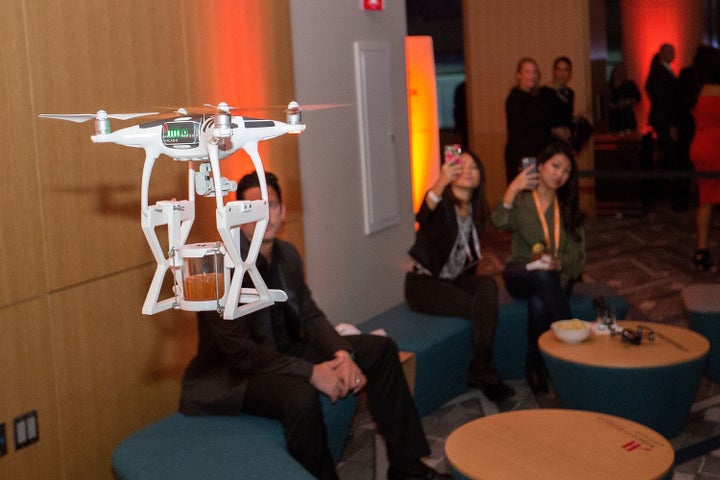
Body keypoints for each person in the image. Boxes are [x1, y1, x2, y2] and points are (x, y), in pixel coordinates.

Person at [179, 171, 451, 480]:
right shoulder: (217, 265)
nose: (264, 214)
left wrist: (342, 355)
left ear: (282, 212)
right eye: (252, 206)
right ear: (235, 214)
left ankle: (408, 468)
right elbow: (240, 353)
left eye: (272, 205)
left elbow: (309, 314)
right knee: (301, 396)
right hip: (236, 374)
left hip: (285, 352)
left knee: (381, 350)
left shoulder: (288, 255)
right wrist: (311, 372)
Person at [405, 148, 514, 402]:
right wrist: (441, 182)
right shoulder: (442, 204)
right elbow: (423, 215)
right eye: (460, 165)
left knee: (487, 287)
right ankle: (485, 371)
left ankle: (480, 366)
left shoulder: (476, 210)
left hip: (453, 280)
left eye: (473, 167)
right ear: (450, 172)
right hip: (423, 284)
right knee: (479, 307)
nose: (467, 170)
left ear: (480, 178)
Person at [492, 140, 586, 395]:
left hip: (554, 277)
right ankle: (573, 352)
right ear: (540, 165)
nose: (560, 175)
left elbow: (578, 258)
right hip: (520, 273)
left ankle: (533, 366)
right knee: (541, 277)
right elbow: (498, 221)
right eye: (555, 166)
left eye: (566, 171)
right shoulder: (522, 200)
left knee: (539, 301)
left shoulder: (568, 209)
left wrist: (560, 262)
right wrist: (512, 188)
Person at [645, 43, 690, 209]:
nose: (673, 54)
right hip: (665, 121)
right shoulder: (660, 73)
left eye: (673, 51)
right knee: (672, 157)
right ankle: (674, 197)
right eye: (669, 51)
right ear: (662, 54)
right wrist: (671, 124)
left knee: (671, 157)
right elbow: (663, 101)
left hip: (665, 120)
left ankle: (673, 195)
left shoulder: (662, 72)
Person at [689, 46, 720, 272]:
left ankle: (702, 250)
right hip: (716, 148)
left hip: (700, 146)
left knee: (706, 200)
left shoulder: (696, 91)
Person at [504, 57, 552, 184]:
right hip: (524, 156)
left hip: (536, 154)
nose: (532, 76)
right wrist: (528, 162)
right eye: (527, 72)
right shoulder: (515, 99)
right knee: (526, 194)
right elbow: (519, 133)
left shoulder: (536, 98)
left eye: (535, 72)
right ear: (519, 75)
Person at [539, 56, 575, 143]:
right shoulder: (544, 92)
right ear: (554, 72)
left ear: (570, 73)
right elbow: (539, 120)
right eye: (559, 70)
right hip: (548, 141)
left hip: (565, 141)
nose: (562, 73)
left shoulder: (569, 93)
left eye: (565, 70)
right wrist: (554, 130)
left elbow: (567, 117)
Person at [608, 62, 641, 133]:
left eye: (622, 71)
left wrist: (626, 102)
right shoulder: (609, 87)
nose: (620, 74)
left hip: (627, 118)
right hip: (613, 118)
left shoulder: (629, 85)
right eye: (618, 71)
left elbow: (638, 98)